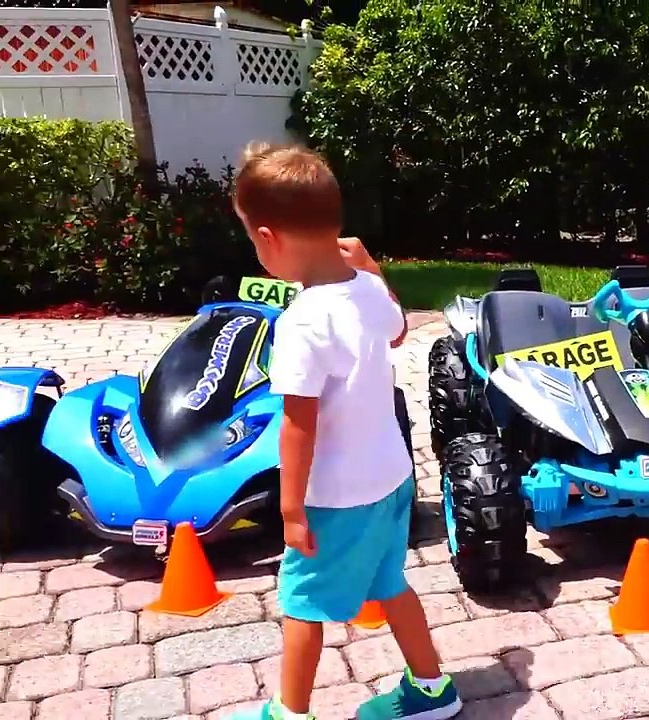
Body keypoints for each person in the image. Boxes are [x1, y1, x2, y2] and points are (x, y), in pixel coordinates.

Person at [230, 142, 462, 720]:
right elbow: (399, 329)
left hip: (336, 496)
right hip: (391, 479)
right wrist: (374, 269)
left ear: (267, 238)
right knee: (390, 583)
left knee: (302, 602)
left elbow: (297, 422)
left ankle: (290, 713)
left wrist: (289, 510)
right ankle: (433, 689)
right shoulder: (365, 289)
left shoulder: (300, 322)